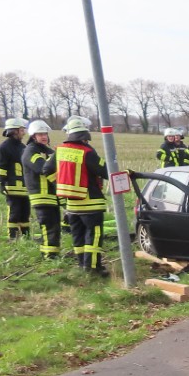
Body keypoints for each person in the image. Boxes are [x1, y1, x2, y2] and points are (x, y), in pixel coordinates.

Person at [43, 116, 110, 276]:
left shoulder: (60, 151)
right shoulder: (87, 152)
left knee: (78, 236)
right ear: (84, 136)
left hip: (71, 205)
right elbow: (105, 171)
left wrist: (60, 184)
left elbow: (46, 170)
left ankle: (82, 266)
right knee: (93, 236)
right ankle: (92, 269)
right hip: (91, 203)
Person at [21, 120, 61, 259]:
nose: (44, 136)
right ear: (33, 136)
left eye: (45, 134)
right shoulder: (30, 151)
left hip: (51, 196)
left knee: (55, 227)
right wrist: (57, 155)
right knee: (48, 227)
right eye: (40, 134)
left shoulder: (46, 150)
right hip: (41, 196)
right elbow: (43, 168)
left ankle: (53, 254)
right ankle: (49, 256)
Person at [0, 117, 30, 239]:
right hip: (12, 188)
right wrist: (1, 183)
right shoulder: (4, 147)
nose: (24, 133)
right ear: (15, 131)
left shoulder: (23, 147)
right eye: (22, 130)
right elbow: (1, 167)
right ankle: (13, 237)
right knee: (14, 213)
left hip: (25, 188)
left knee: (25, 213)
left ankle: (26, 236)